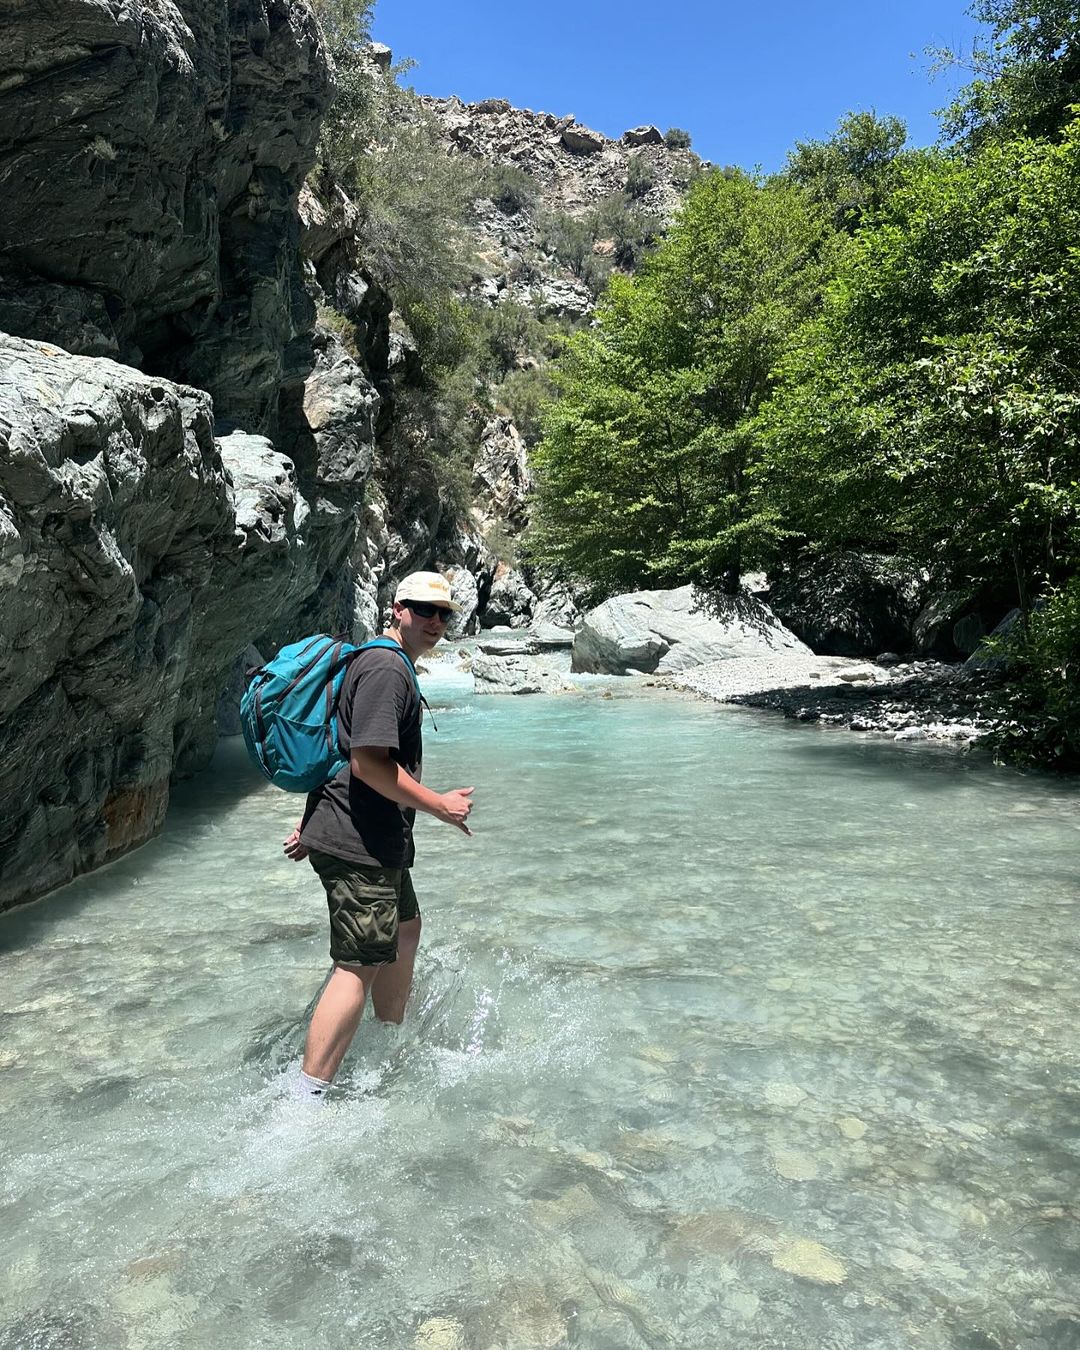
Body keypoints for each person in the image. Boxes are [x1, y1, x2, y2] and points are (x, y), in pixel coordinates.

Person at [282, 571, 475, 1099]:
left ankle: (388, 1036)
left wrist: (311, 820)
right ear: (397, 609)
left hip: (369, 834)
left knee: (406, 927)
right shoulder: (386, 668)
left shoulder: (387, 664)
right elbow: (367, 763)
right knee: (358, 964)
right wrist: (439, 805)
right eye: (424, 609)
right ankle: (306, 1097)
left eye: (444, 614)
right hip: (358, 840)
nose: (435, 621)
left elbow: (338, 752)